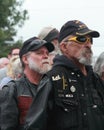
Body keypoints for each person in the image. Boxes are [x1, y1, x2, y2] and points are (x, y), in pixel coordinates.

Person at [24, 20, 104, 130]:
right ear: (64, 47)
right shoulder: (53, 79)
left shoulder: (95, 80)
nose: (88, 44)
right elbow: (33, 126)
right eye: (81, 39)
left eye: (90, 40)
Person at [0, 37, 54, 130]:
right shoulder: (12, 89)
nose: (45, 56)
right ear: (25, 59)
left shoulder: (54, 87)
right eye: (39, 53)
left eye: (47, 53)